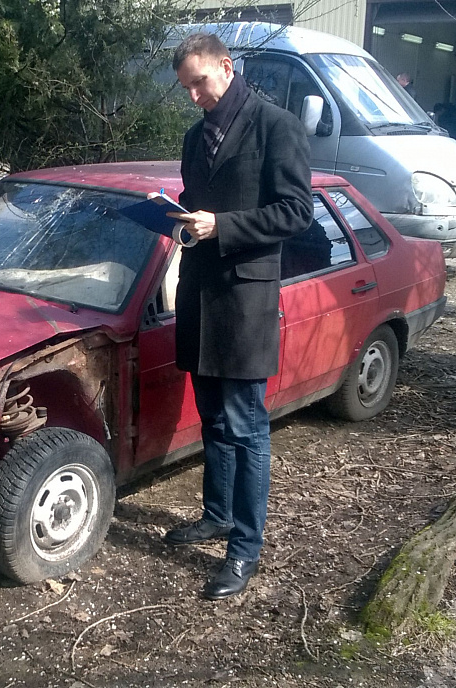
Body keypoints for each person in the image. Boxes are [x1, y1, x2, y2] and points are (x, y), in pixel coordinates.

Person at [160, 32, 313, 600]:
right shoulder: (194, 137)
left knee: (247, 428)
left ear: (227, 67)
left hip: (246, 302)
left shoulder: (276, 126)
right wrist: (176, 218)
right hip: (200, 295)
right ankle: (216, 514)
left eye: (200, 82)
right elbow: (194, 200)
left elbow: (297, 212)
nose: (195, 95)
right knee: (213, 419)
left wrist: (222, 225)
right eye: (187, 88)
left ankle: (245, 547)